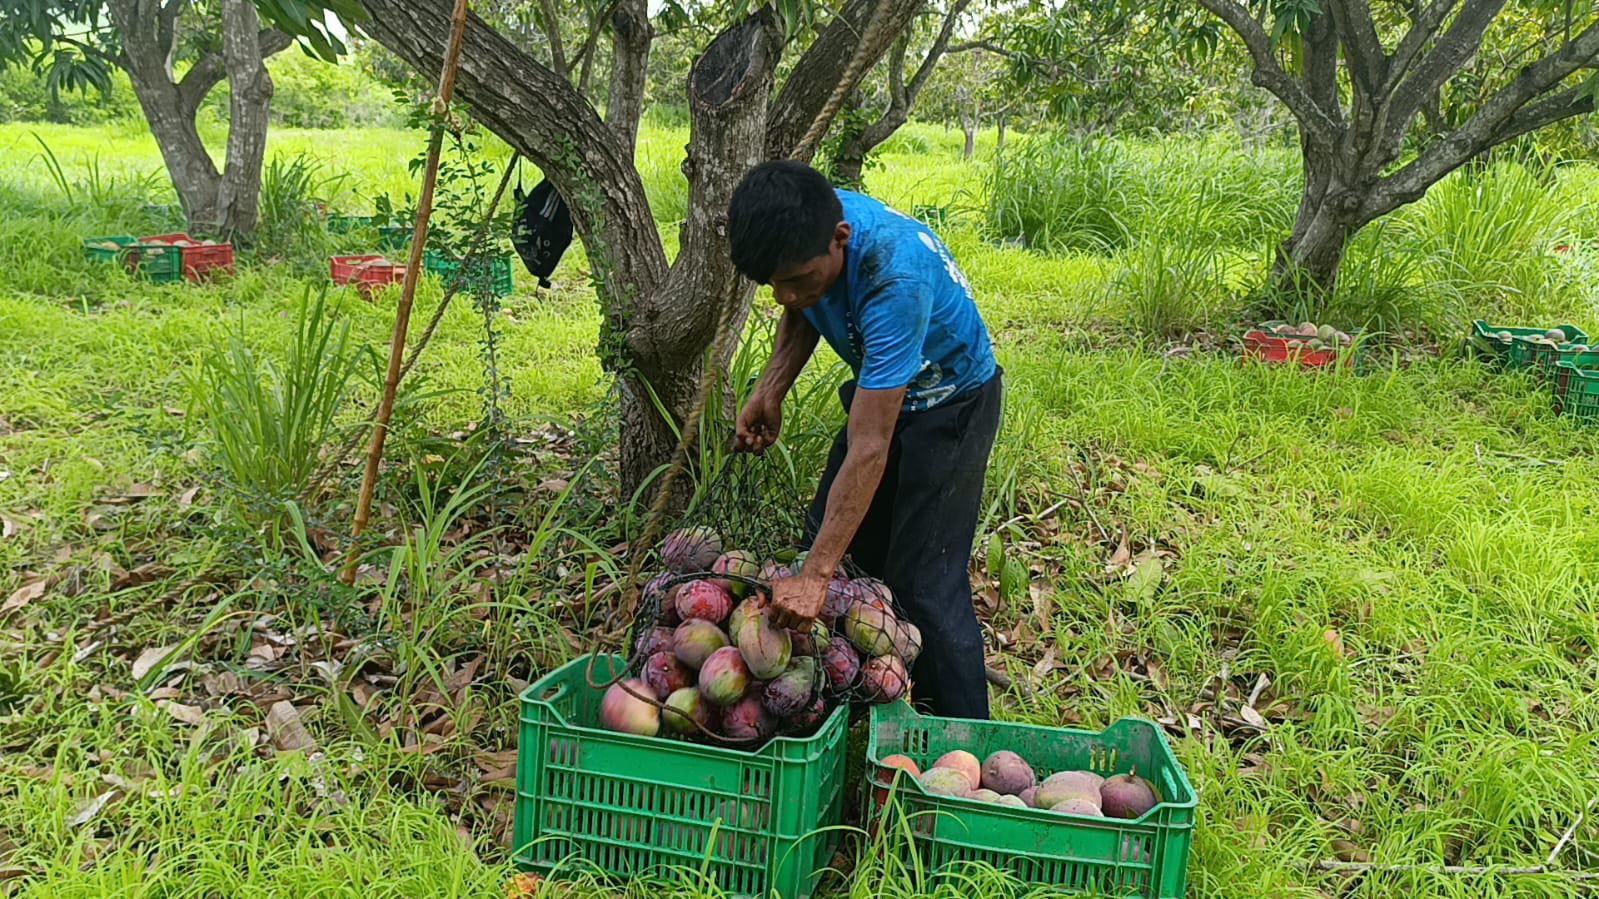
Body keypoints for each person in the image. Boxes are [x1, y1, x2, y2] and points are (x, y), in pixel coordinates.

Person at [726, 160, 1002, 719]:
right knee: (836, 547)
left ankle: (963, 736)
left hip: (951, 404)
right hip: (885, 390)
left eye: (796, 279)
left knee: (923, 583)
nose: (784, 296)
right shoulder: (809, 226)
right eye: (772, 284)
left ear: (841, 239)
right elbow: (803, 303)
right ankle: (865, 705)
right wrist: (771, 386)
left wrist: (815, 575)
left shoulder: (893, 277)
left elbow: (870, 444)